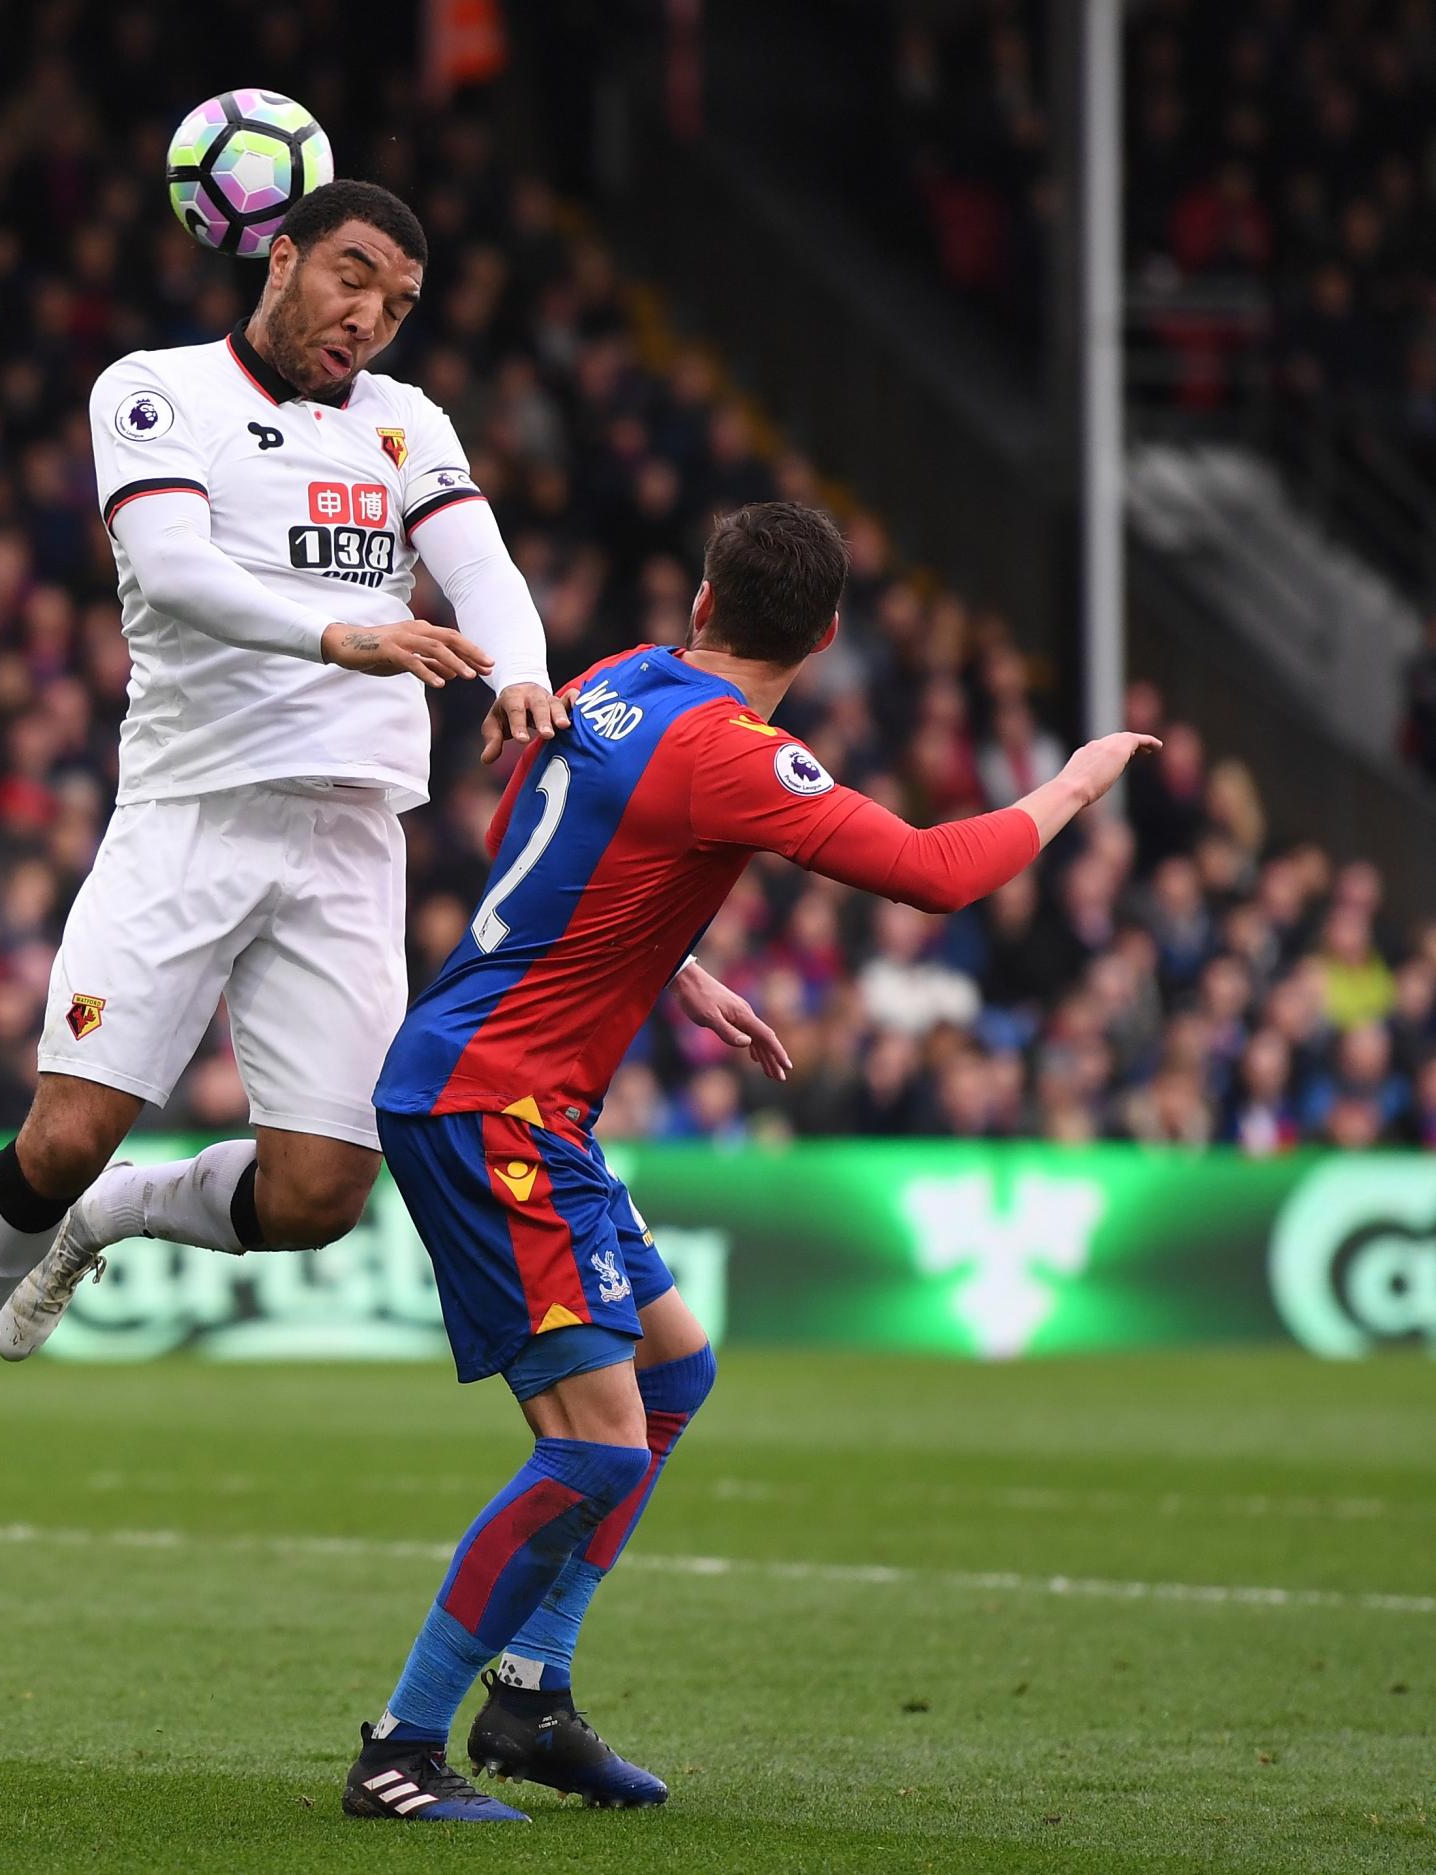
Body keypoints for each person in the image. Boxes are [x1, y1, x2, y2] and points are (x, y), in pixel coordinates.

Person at [0, 175, 787, 1549]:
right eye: (351, 277)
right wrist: (339, 632)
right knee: (59, 1131)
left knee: (319, 1198)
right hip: (189, 817)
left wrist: (521, 678)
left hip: (350, 837)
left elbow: (491, 579)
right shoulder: (155, 389)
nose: (370, 316)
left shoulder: (408, 425)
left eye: (398, 303)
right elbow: (170, 567)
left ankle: (109, 1220)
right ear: (277, 256)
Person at [341, 502, 1158, 1821]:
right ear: (826, 638)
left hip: (520, 1095)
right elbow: (939, 874)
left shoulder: (610, 680)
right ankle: (402, 1746)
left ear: (703, 599)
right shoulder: (735, 755)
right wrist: (1072, 783)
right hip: (488, 1101)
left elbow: (550, 844)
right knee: (599, 1448)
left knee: (675, 1369)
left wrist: (679, 963)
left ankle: (534, 1694)